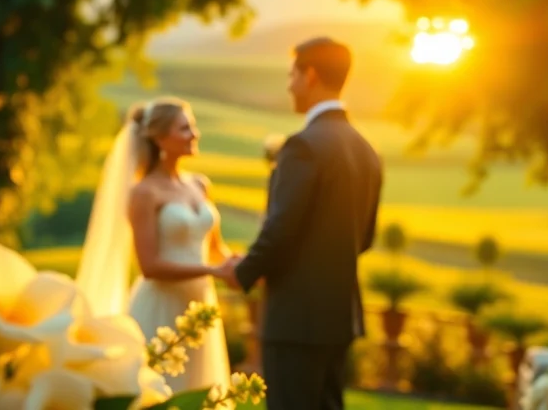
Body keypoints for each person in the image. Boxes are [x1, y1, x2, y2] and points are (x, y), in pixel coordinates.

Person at [218, 37, 383, 410]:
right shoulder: (367, 150)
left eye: (291, 74)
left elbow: (280, 230)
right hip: (339, 316)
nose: (289, 84)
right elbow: (365, 237)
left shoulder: (303, 146)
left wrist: (244, 270)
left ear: (310, 76)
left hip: (296, 319)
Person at [76, 96, 232, 393]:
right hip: (161, 307)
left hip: (200, 304)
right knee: (161, 389)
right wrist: (213, 271)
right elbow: (150, 266)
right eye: (184, 128)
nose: (194, 134)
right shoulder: (144, 193)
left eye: (193, 126)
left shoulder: (199, 185)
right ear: (160, 138)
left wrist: (245, 265)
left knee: (199, 391)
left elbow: (215, 250)